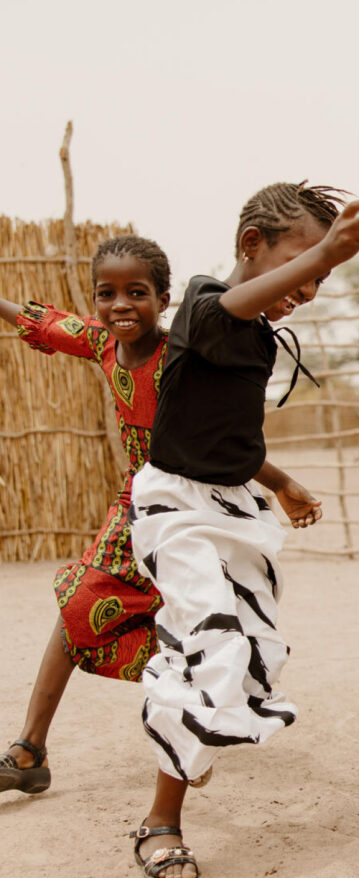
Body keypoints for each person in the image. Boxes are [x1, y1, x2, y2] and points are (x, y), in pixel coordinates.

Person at [127, 182, 359, 878]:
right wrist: (329, 246)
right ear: (251, 248)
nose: (311, 285)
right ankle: (160, 824)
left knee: (256, 653)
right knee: (210, 646)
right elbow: (223, 310)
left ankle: (192, 735)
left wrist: (281, 482)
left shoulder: (259, 335)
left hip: (234, 507)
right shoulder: (203, 307)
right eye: (303, 265)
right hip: (175, 508)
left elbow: (225, 435)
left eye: (322, 278)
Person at [0, 236, 172, 796]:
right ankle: (28, 751)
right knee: (79, 604)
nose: (121, 304)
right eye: (107, 293)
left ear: (164, 299)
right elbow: (44, 323)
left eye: (137, 292)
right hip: (137, 502)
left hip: (197, 507)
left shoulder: (184, 354)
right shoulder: (101, 343)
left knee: (197, 628)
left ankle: (190, 737)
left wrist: (281, 485)